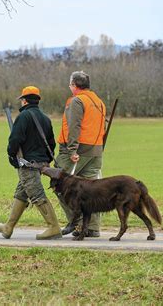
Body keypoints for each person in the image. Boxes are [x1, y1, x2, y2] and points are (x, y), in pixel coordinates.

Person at [0, 86, 62, 240]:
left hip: (27, 165)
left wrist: (12, 156)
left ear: (24, 101)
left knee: (37, 195)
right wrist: (44, 161)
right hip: (40, 164)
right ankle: (8, 227)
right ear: (37, 101)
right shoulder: (46, 118)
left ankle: (54, 227)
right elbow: (51, 143)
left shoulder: (23, 117)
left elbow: (14, 140)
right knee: (22, 192)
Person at [56, 71, 106, 238]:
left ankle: (75, 223)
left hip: (78, 150)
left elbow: (74, 126)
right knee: (93, 190)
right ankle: (92, 228)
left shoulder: (78, 100)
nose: (69, 87)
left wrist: (72, 149)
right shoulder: (99, 101)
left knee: (59, 185)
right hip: (96, 151)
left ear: (74, 85)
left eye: (70, 84)